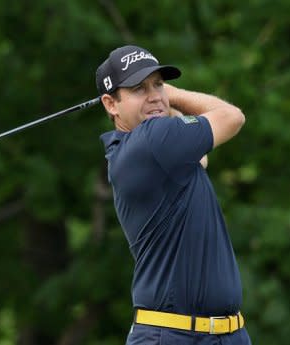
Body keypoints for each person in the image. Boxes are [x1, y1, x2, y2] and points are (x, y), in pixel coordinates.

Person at [96, 45, 251, 345]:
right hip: (173, 335)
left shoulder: (144, 148)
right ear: (110, 104)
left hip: (225, 335)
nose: (154, 95)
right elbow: (232, 117)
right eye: (139, 88)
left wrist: (157, 101)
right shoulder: (153, 139)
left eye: (158, 84)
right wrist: (173, 94)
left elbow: (200, 158)